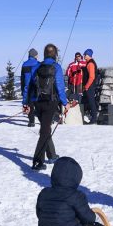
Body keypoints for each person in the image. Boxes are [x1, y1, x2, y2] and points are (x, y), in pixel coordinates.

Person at [23, 43, 69, 171]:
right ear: (55, 55)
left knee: (45, 128)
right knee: (44, 131)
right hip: (50, 102)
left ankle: (51, 155)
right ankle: (38, 162)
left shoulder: (36, 66)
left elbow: (28, 86)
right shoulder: (57, 67)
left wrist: (25, 103)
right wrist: (66, 103)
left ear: (44, 54)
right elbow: (60, 87)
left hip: (37, 102)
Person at [20, 49, 40, 127]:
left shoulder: (24, 64)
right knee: (38, 104)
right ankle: (43, 121)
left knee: (30, 104)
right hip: (36, 86)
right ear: (35, 55)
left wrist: (22, 89)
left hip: (27, 87)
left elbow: (22, 78)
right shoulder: (38, 64)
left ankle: (31, 122)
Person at [81, 48, 99, 125]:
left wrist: (87, 86)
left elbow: (91, 77)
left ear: (88, 55)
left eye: (84, 54)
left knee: (91, 102)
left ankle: (94, 119)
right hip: (90, 86)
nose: (83, 56)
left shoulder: (90, 64)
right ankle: (93, 118)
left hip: (90, 86)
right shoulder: (89, 63)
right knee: (90, 102)